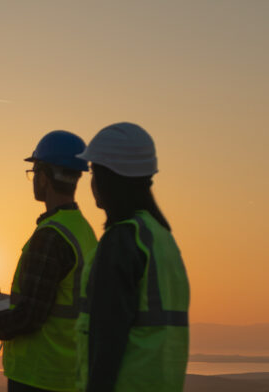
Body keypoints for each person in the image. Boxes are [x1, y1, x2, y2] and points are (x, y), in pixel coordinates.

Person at [0, 130, 98, 392]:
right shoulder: (83, 231)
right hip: (71, 374)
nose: (33, 178)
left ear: (45, 177)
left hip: (39, 377)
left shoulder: (51, 237)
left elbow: (28, 318)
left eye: (35, 171)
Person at [73, 122, 190, 392]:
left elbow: (107, 340)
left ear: (109, 178)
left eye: (94, 173)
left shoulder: (121, 241)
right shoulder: (162, 239)